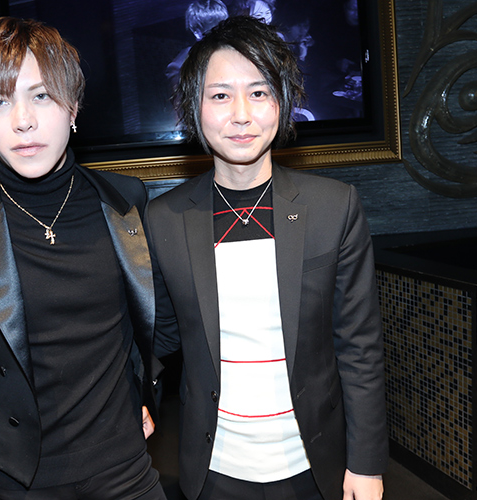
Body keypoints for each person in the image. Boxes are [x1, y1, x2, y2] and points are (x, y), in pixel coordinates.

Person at [0, 17, 166, 500]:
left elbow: (146, 323)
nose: (23, 121)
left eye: (42, 96)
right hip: (23, 481)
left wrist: (140, 389)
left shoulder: (126, 200)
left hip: (127, 470)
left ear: (72, 106)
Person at [146, 15, 387, 500]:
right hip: (212, 469)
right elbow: (160, 332)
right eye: (220, 95)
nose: (241, 115)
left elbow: (359, 346)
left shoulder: (333, 207)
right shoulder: (164, 218)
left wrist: (366, 465)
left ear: (283, 102)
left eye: (258, 92)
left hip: (314, 465)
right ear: (193, 107)